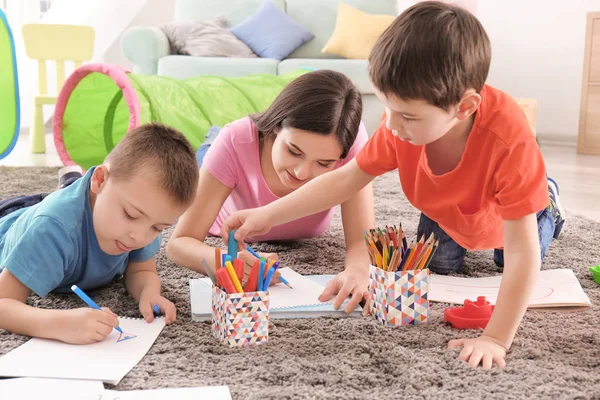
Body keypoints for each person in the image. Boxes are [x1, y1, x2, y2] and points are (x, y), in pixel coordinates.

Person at [219, 1, 566, 369]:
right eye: (386, 107)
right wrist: (268, 214)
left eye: (408, 115)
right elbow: (346, 179)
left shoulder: (508, 144)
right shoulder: (399, 127)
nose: (391, 124)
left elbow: (521, 254)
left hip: (505, 213)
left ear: (464, 108)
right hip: (446, 208)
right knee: (442, 267)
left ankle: (549, 200)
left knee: (506, 260)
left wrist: (495, 338)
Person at [167, 69, 374, 311]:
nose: (301, 173)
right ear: (276, 126)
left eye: (324, 163)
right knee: (207, 152)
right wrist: (226, 262)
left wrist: (359, 271)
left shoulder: (352, 141)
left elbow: (361, 241)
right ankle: (210, 139)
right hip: (225, 147)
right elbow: (179, 242)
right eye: (294, 151)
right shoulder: (235, 141)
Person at [0, 123, 199, 344]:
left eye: (158, 228)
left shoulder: (146, 211)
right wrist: (57, 323)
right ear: (100, 180)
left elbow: (141, 270)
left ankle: (71, 179)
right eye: (131, 215)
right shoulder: (52, 230)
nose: (140, 237)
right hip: (13, 219)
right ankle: (70, 181)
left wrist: (148, 291)